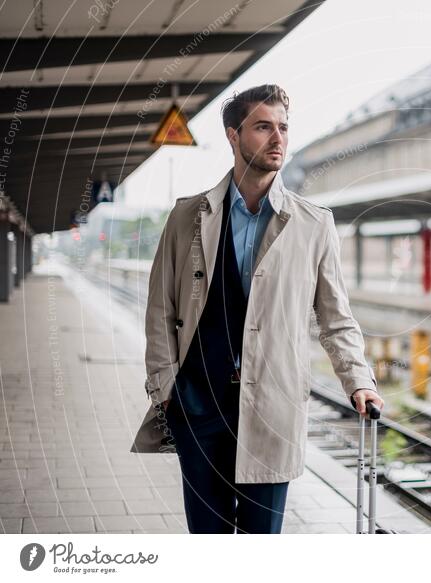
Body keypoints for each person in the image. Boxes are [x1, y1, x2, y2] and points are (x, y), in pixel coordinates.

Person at [130, 84, 384, 533]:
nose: (278, 139)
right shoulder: (188, 216)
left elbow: (335, 317)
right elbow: (159, 310)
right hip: (197, 405)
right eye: (263, 126)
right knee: (207, 539)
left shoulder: (313, 224)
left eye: (283, 127)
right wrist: (166, 390)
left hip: (272, 407)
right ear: (233, 135)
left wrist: (358, 380)